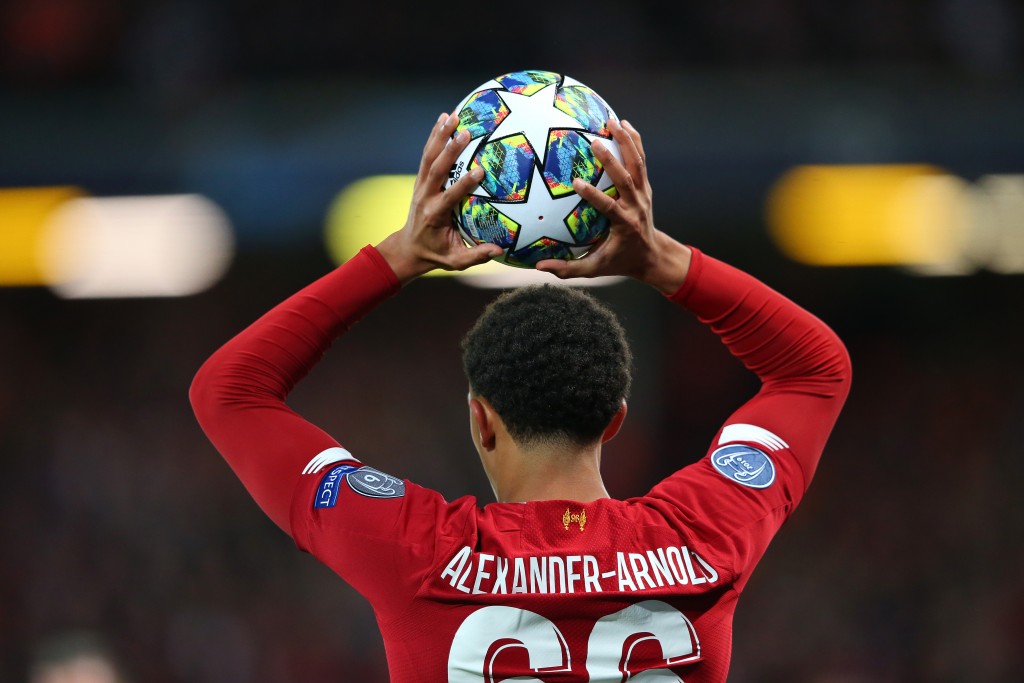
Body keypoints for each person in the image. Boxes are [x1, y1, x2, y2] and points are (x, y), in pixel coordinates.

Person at [190, 113, 851, 682]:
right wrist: (664, 260)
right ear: (614, 419)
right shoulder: (705, 535)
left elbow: (231, 392)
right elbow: (813, 370)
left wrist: (398, 256)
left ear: (481, 420)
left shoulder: (421, 550)